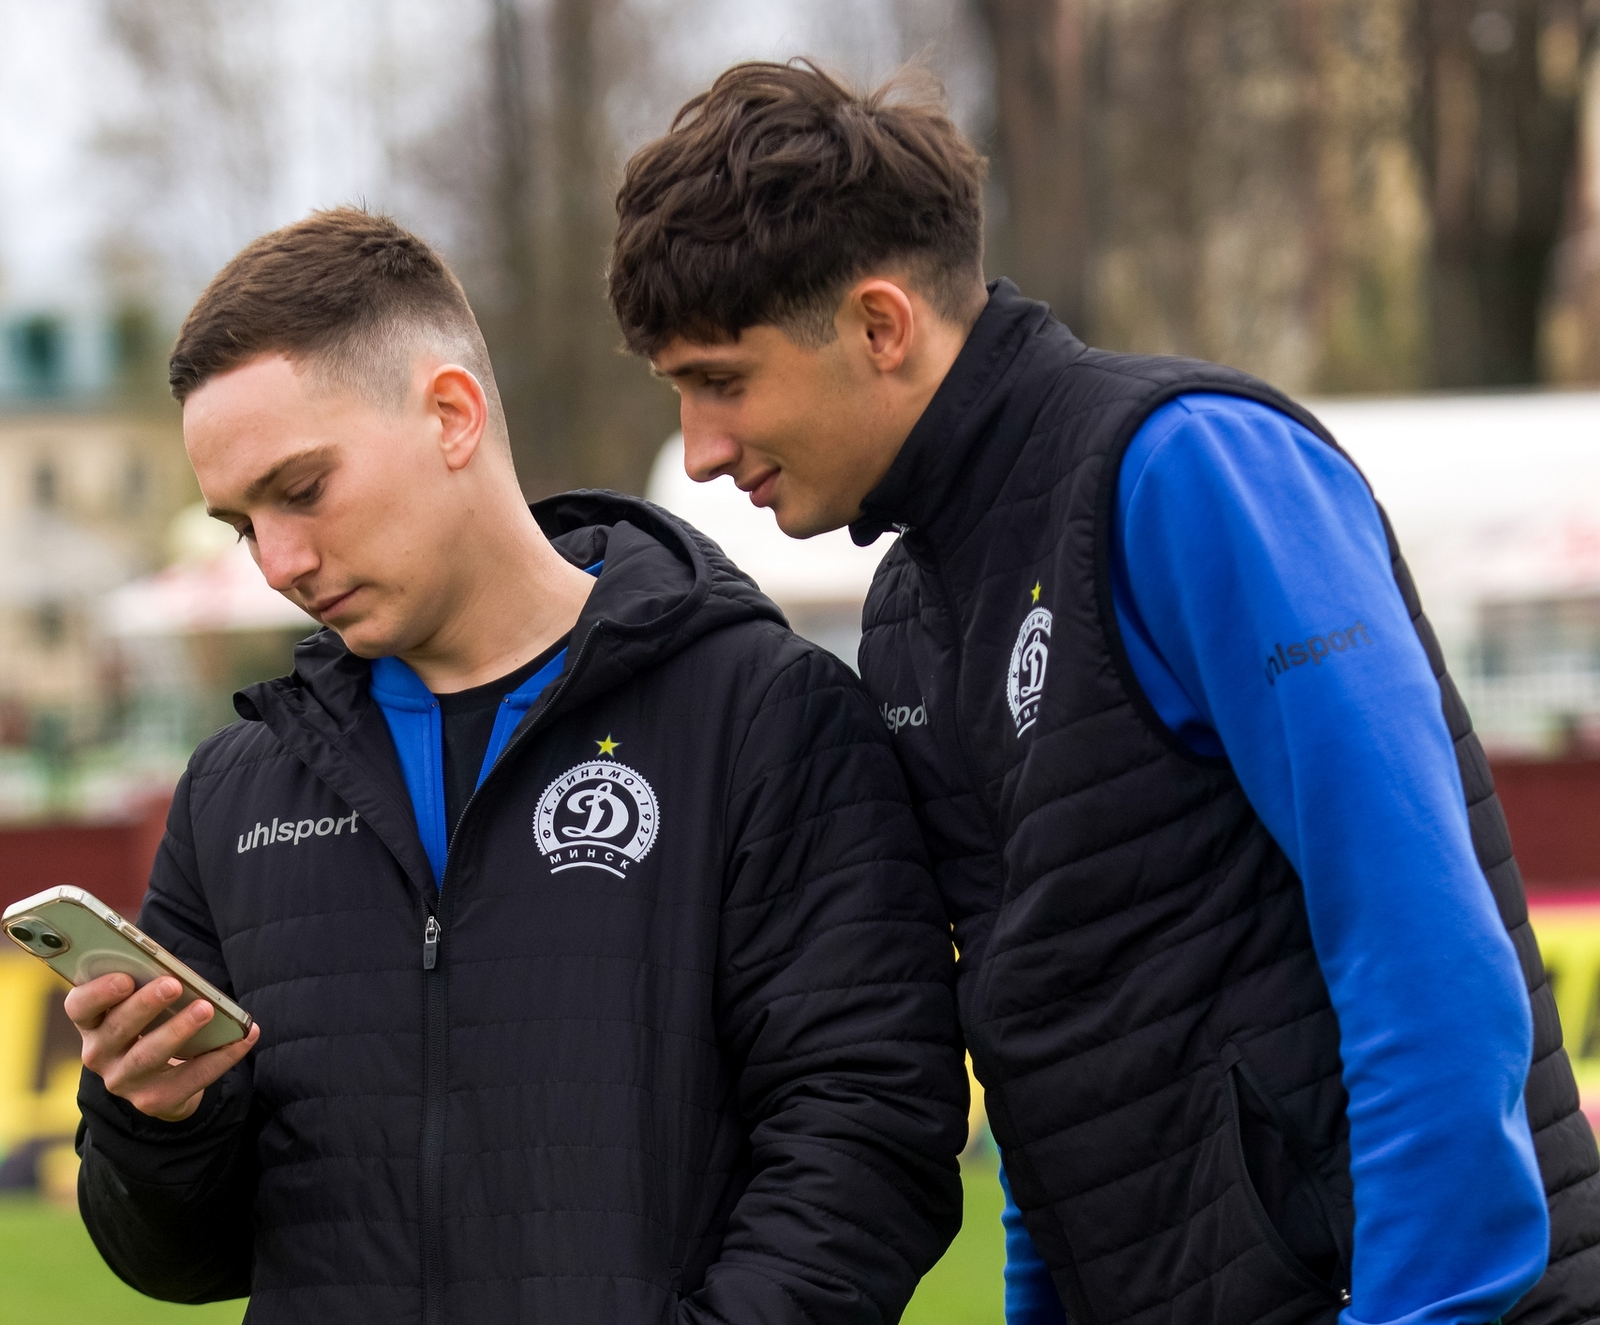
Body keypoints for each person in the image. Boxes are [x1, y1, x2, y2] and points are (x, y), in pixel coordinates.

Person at [608, 60, 1600, 1325]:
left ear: (878, 325)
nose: (700, 449)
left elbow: (1424, 943)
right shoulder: (908, 612)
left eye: (720, 380)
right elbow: (1042, 1056)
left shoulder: (1185, 467)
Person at [68, 207, 969, 1324]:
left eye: (301, 489)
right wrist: (156, 1119)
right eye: (243, 523)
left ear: (452, 414)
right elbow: (175, 1261)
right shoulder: (235, 791)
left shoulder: (760, 712)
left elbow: (869, 1136)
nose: (280, 562)